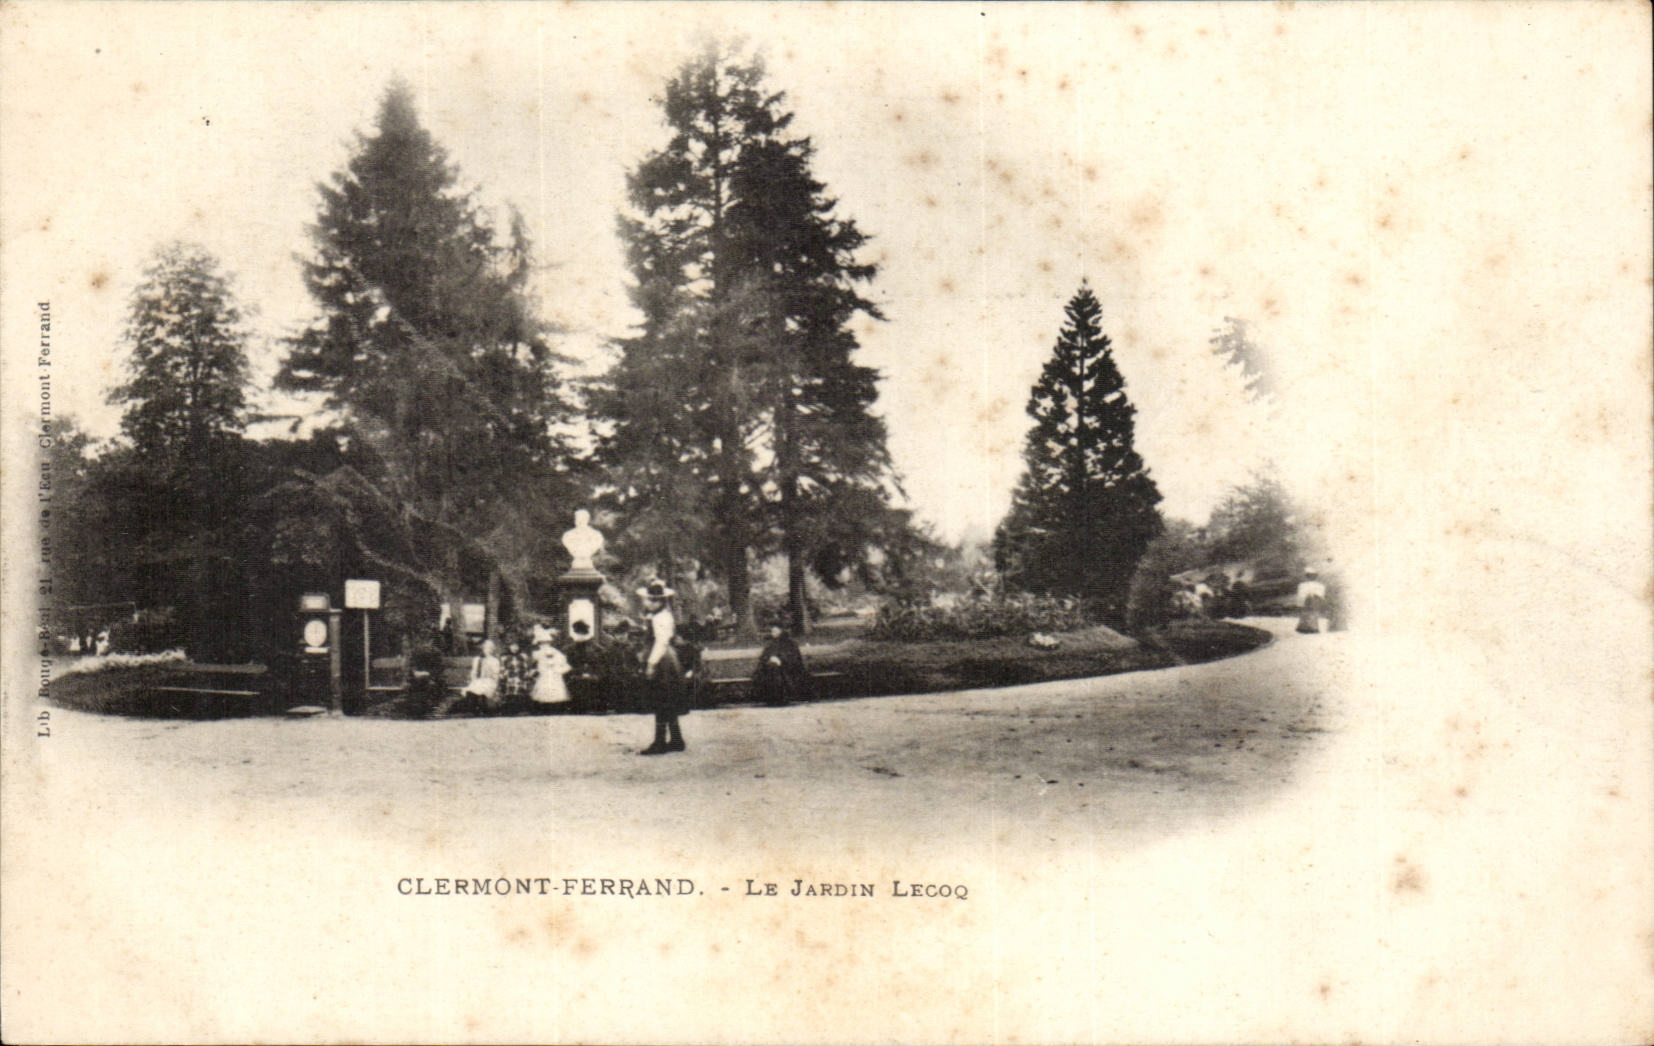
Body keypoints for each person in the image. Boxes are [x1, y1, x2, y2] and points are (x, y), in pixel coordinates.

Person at [636, 578, 690, 755]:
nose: (648, 603)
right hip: (664, 658)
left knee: (662, 700)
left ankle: (660, 742)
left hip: (662, 660)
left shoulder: (662, 617)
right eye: (649, 599)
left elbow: (661, 642)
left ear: (660, 601)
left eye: (653, 600)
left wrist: (651, 663)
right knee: (666, 699)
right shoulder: (658, 615)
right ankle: (676, 739)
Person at [751, 622, 810, 707]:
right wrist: (770, 659)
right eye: (772, 631)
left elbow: (794, 658)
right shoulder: (770, 644)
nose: (773, 633)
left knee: (778, 672)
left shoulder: (790, 643)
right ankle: (774, 698)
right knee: (772, 669)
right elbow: (764, 658)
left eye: (775, 631)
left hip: (788, 668)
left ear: (781, 631)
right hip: (771, 668)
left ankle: (781, 698)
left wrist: (781, 660)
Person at [531, 633, 572, 707]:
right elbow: (536, 663)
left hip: (554, 672)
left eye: (546, 643)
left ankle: (554, 705)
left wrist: (557, 668)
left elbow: (561, 660)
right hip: (544, 672)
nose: (544, 645)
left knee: (555, 687)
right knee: (543, 687)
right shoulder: (537, 653)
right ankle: (545, 706)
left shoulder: (555, 652)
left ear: (549, 643)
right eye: (542, 643)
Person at [498, 634, 537, 712]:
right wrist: (502, 674)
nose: (514, 648)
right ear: (509, 647)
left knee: (521, 689)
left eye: (516, 646)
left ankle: (520, 707)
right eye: (512, 646)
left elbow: (527, 666)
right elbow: (502, 667)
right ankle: (510, 708)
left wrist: (528, 673)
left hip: (521, 676)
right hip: (509, 677)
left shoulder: (523, 656)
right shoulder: (505, 657)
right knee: (509, 688)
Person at [1295, 568, 1328, 634]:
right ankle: (1308, 627)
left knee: (1310, 613)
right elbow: (1321, 595)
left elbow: (1301, 595)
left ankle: (1309, 627)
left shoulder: (1303, 585)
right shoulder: (1319, 586)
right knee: (1310, 613)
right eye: (1310, 576)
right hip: (1311, 601)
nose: (1311, 577)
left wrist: (1299, 603)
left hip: (1312, 601)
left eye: (1312, 576)